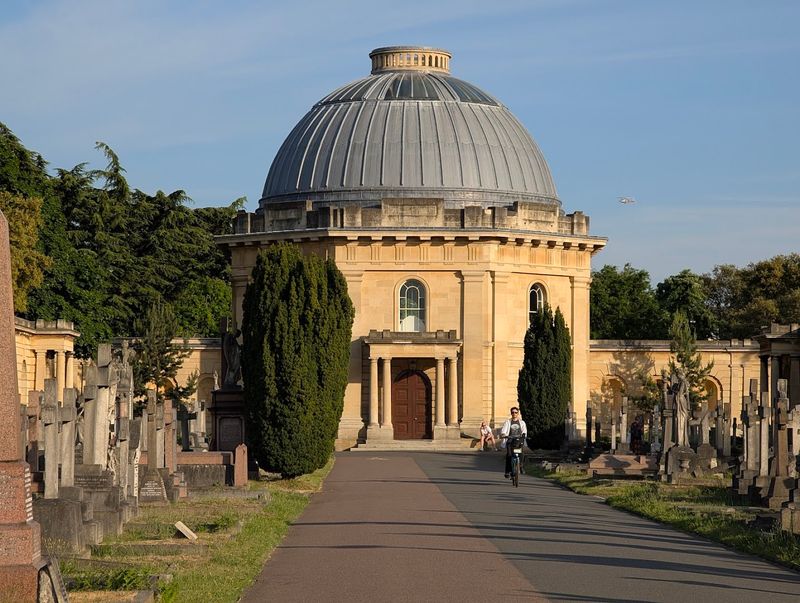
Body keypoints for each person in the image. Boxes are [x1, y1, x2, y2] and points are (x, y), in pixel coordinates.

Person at [500, 407, 528, 478]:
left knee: (521, 454)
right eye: (512, 412)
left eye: (515, 412)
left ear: (518, 413)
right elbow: (503, 431)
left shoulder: (522, 422)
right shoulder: (508, 422)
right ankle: (507, 471)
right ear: (511, 413)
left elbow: (524, 431)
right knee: (509, 455)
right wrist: (503, 434)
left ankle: (521, 467)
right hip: (510, 441)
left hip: (519, 441)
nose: (514, 414)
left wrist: (524, 435)